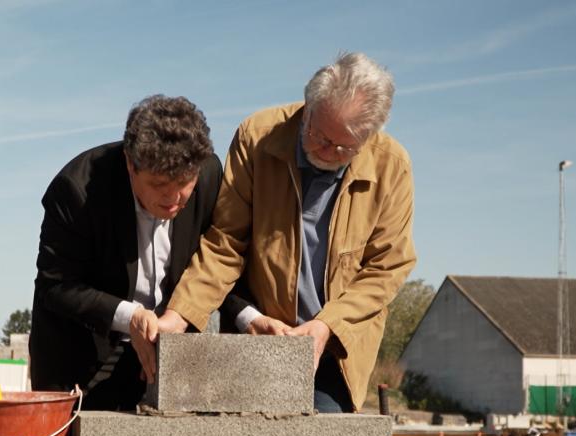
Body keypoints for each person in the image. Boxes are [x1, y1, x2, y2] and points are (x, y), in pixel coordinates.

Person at [135, 52, 416, 413]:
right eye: (317, 134)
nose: (324, 151)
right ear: (308, 107)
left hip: (337, 349)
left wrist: (326, 326)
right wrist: (180, 314)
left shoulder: (393, 166)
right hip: (258, 338)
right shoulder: (257, 136)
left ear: (369, 136)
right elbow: (226, 241)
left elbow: (387, 268)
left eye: (342, 147)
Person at [29, 95, 221, 411]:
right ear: (130, 164)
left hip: (163, 348)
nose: (173, 198)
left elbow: (220, 254)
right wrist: (130, 316)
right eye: (159, 184)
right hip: (82, 353)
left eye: (185, 183)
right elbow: (56, 286)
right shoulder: (74, 190)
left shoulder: (210, 172)